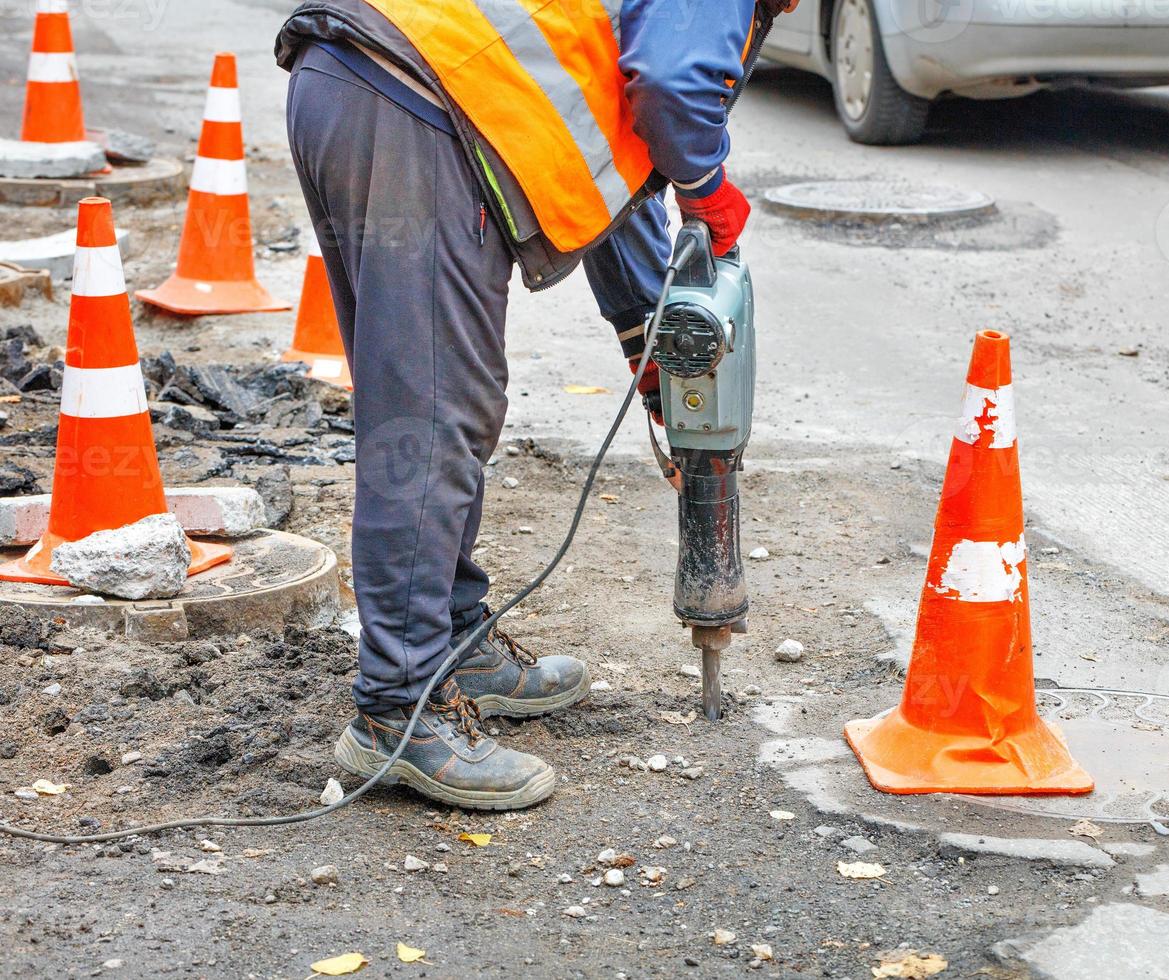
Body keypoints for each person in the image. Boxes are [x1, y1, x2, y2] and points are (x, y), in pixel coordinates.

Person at [274, 0, 790, 810]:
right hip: (413, 104)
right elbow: (672, 88)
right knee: (435, 412)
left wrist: (645, 336)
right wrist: (705, 186)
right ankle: (398, 709)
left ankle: (451, 638)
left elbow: (608, 159)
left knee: (445, 393)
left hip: (372, 83)